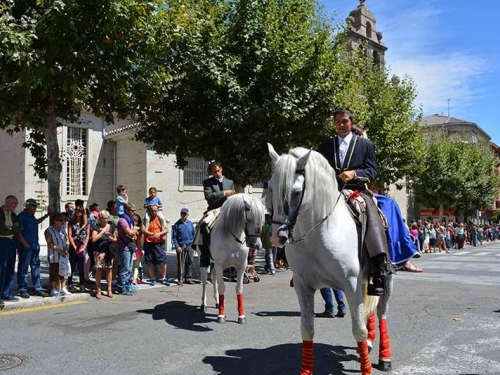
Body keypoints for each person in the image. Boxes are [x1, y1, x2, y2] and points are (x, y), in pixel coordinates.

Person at [317, 108, 390, 296]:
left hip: (357, 190)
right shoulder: (325, 146)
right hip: (330, 191)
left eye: (345, 121)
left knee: (372, 214)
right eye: (338, 121)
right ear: (333, 123)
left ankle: (378, 268)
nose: (341, 125)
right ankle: (300, 264)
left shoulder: (365, 145)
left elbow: (372, 172)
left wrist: (354, 173)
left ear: (351, 122)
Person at [198, 160, 236, 270]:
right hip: (214, 210)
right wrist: (224, 193)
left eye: (218, 171)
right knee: (204, 225)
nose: (217, 174)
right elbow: (209, 197)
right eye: (214, 172)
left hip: (227, 210)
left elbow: (233, 196)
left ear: (221, 169)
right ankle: (205, 255)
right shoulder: (207, 182)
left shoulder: (230, 182)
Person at [16, 198, 50, 298]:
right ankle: (23, 289)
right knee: (24, 268)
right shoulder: (22, 216)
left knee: (36, 268)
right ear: (28, 206)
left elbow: (36, 222)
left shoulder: (31, 216)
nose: (35, 208)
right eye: (33, 206)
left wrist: (46, 216)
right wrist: (24, 243)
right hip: (26, 247)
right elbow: (18, 232)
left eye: (35, 206)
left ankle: (37, 288)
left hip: (34, 246)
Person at [0, 195, 22, 304]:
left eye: (16, 204)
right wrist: (13, 229)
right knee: (1, 269)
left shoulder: (13, 215)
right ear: (7, 202)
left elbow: (19, 228)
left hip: (11, 242)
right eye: (14, 203)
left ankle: (6, 293)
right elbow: (2, 230)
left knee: (10, 268)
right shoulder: (0, 212)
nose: (15, 206)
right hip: (2, 242)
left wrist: (12, 229)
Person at [141, 204, 170, 286]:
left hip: (159, 243)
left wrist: (159, 234)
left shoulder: (161, 219)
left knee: (163, 261)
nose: (154, 212)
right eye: (153, 211)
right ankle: (152, 278)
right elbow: (143, 229)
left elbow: (166, 229)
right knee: (150, 262)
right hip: (148, 242)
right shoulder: (146, 219)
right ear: (149, 211)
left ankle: (164, 278)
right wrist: (151, 234)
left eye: (155, 211)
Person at [91, 210, 117, 299]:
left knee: (109, 270)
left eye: (106, 218)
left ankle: (109, 289)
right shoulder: (96, 227)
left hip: (108, 251)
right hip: (99, 251)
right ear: (100, 218)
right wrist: (102, 232)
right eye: (103, 218)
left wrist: (110, 238)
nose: (105, 220)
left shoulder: (111, 227)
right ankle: (98, 290)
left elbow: (115, 239)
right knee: (99, 270)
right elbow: (93, 239)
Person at [44, 212, 71, 296]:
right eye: (60, 220)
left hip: (64, 254)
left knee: (64, 271)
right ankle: (53, 288)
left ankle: (63, 288)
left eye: (63, 220)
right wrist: (60, 251)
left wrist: (66, 248)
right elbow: (50, 243)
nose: (62, 222)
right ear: (55, 221)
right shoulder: (49, 230)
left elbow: (67, 239)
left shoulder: (62, 229)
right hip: (54, 255)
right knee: (54, 272)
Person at [116, 203, 140, 295]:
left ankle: (127, 285)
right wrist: (135, 230)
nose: (134, 212)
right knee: (125, 268)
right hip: (124, 247)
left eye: (134, 210)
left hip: (129, 246)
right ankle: (122, 287)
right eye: (132, 210)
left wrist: (134, 230)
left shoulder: (130, 220)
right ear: (127, 210)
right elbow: (130, 232)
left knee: (129, 268)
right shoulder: (123, 220)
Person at [68, 204, 91, 293]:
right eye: (76, 210)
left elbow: (88, 235)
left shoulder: (87, 222)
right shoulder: (71, 221)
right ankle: (70, 283)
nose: (78, 212)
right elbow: (69, 235)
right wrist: (74, 246)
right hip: (73, 245)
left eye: (80, 210)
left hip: (82, 245)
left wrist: (84, 246)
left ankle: (82, 284)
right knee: (72, 266)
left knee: (81, 266)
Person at [172, 208, 195, 285]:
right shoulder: (177, 224)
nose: (183, 215)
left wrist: (193, 245)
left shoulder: (190, 223)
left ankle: (188, 278)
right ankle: (180, 279)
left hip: (189, 245)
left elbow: (193, 234)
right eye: (182, 213)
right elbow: (174, 237)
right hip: (181, 246)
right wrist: (177, 246)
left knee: (190, 262)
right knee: (181, 263)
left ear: (187, 215)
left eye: (185, 214)